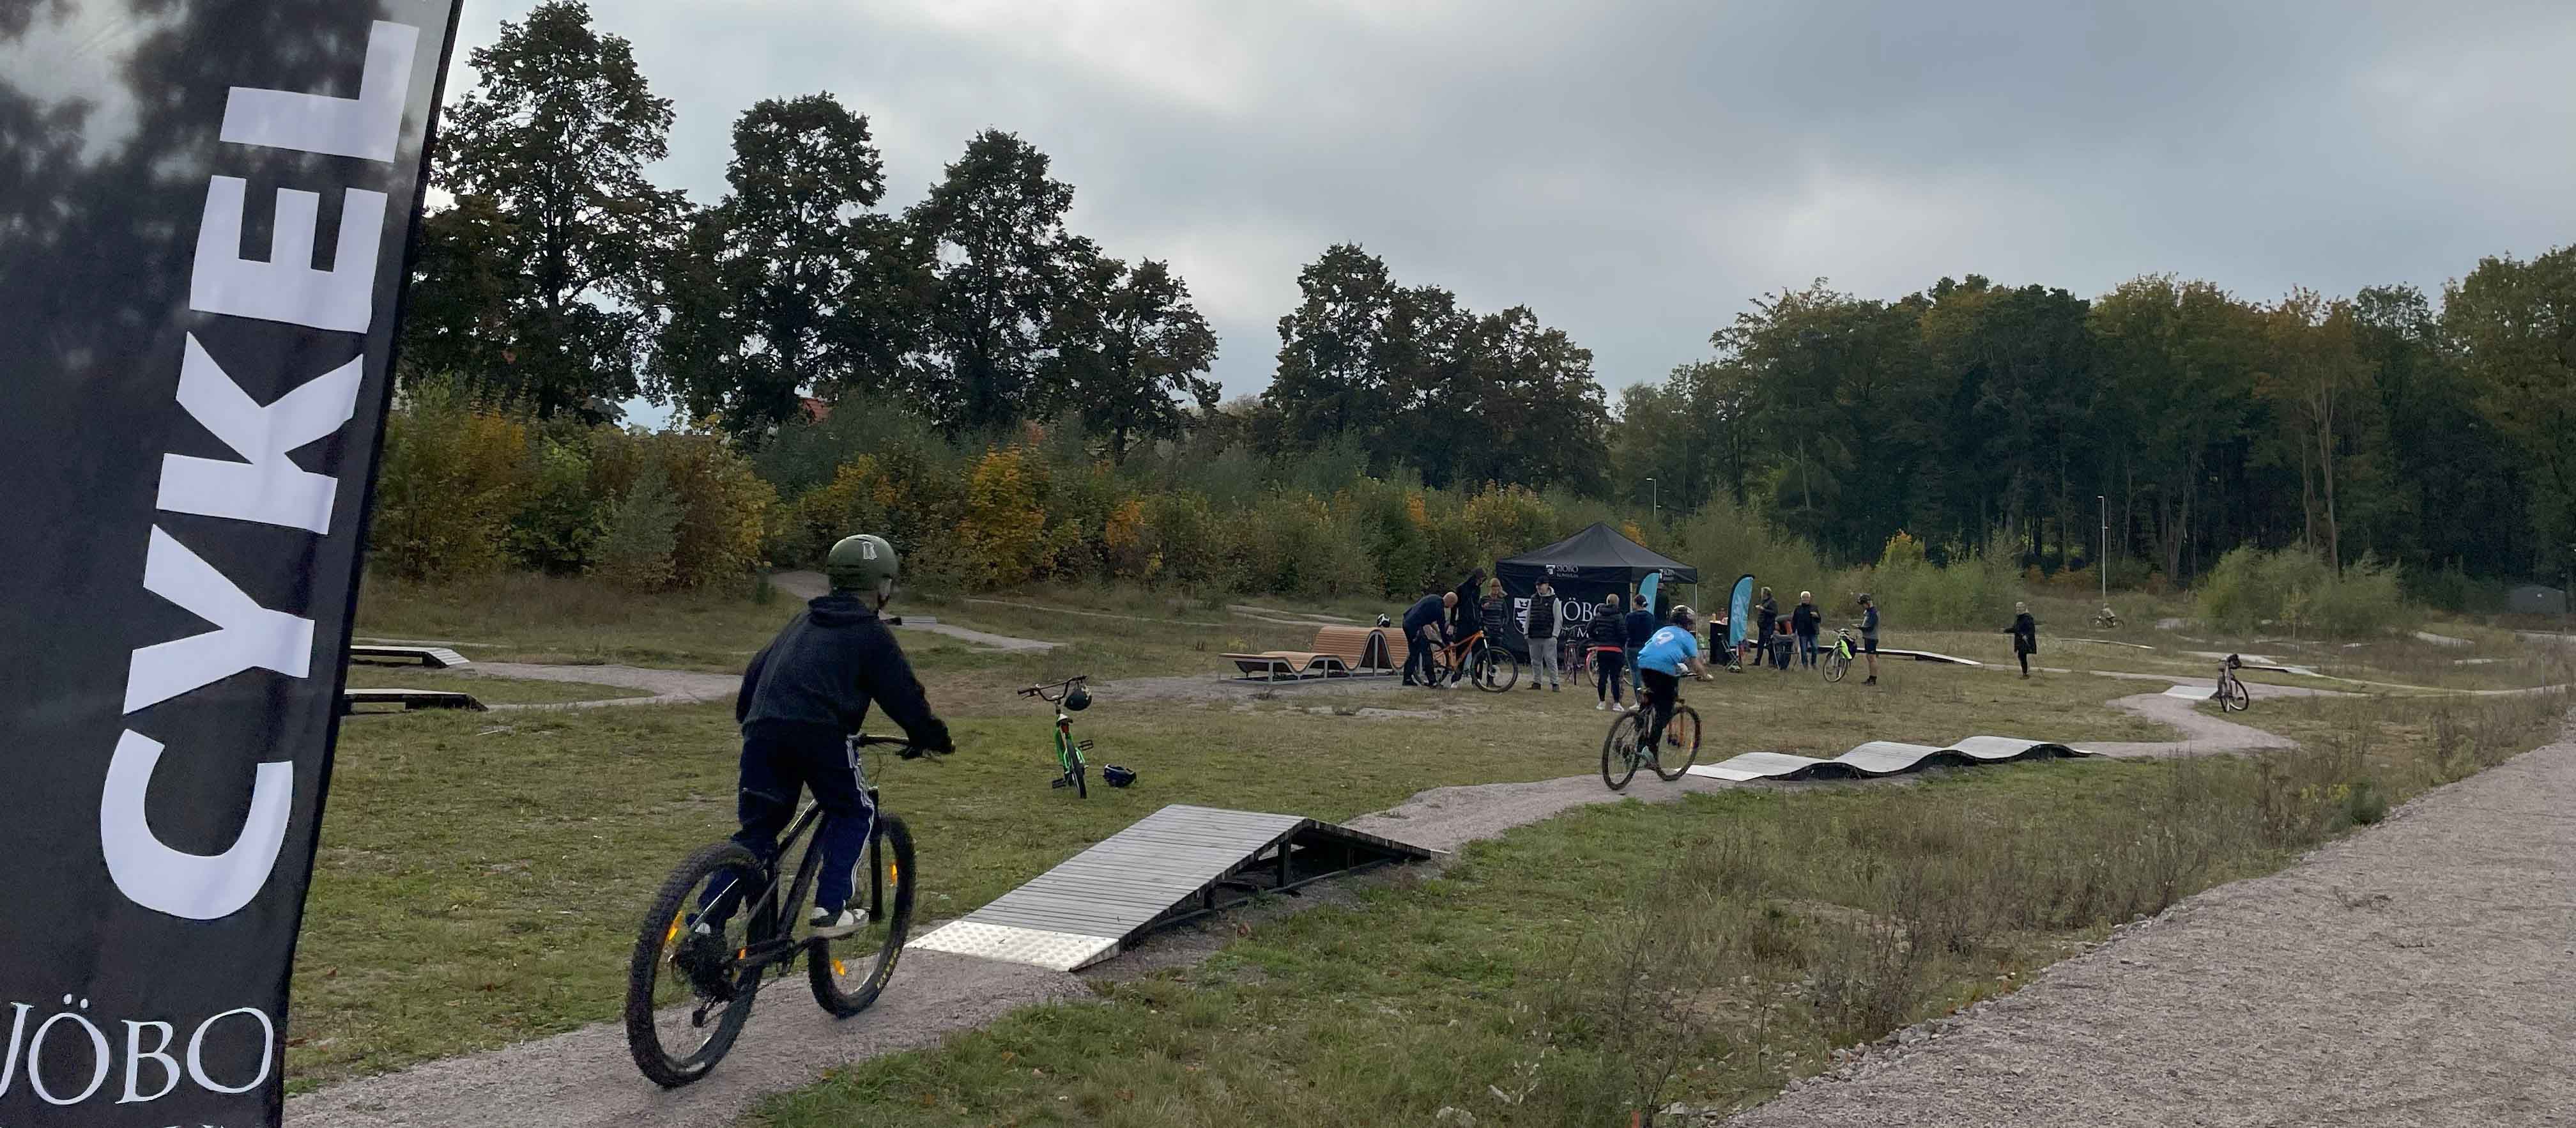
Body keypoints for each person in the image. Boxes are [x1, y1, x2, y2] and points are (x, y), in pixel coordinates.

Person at [713, 534, 953, 940]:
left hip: (763, 729)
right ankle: (830, 907)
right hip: (821, 734)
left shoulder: (801, 622)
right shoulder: (870, 633)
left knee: (757, 832)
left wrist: (753, 722)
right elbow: (904, 697)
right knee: (854, 811)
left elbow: (757, 671)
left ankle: (706, 925)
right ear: (882, 586)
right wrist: (931, 737)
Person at [1634, 605, 1714, 753]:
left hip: (1644, 662)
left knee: (1651, 696)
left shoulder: (1663, 630)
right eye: (1690, 623)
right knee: (1665, 709)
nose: (1691, 626)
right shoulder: (1688, 637)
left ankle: (1637, 731)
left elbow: (1654, 648)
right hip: (1663, 669)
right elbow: (1696, 664)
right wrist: (1706, 676)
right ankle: (1650, 749)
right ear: (1686, 624)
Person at [1402, 590, 1455, 688]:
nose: (1452, 607)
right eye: (1452, 605)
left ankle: (1407, 679)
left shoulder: (1434, 597)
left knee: (1414, 652)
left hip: (1407, 622)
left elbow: (1428, 618)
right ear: (1450, 602)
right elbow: (1443, 628)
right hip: (1414, 626)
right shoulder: (1440, 609)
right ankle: (1433, 682)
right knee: (1427, 652)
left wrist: (1437, 633)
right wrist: (1448, 643)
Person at [1593, 592, 1630, 711]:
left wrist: (1597, 639)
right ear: (1617, 603)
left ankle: (1602, 702)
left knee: (1602, 676)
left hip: (1602, 649)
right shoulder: (1619, 617)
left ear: (1607, 602)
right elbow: (1624, 634)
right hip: (1615, 650)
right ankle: (1616, 703)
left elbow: (1589, 628)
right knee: (1615, 677)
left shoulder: (1599, 615)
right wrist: (1620, 644)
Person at [1526, 580, 1563, 691]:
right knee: (1535, 661)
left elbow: (1558, 619)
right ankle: (1537, 682)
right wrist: (1526, 632)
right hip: (1534, 635)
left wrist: (1555, 635)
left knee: (1551, 660)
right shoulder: (1533, 599)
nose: (1539, 588)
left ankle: (1555, 683)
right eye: (1537, 586)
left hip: (1548, 636)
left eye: (1541, 585)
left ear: (1547, 585)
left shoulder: (1554, 600)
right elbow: (1528, 616)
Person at [1623, 587, 1658, 702]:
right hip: (1646, 647)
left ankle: (1639, 700)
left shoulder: (1629, 616)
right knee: (1647, 674)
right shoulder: (1650, 617)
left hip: (1632, 647)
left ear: (1636, 604)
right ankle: (1649, 697)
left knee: (1635, 674)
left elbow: (1626, 631)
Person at [2004, 601, 2039, 679]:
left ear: (2024, 608)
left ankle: (2025, 674)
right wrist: (2006, 630)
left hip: (2026, 641)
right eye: (2017, 607)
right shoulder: (2018, 617)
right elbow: (2015, 629)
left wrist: (2027, 636)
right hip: (2019, 641)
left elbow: (2032, 630)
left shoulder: (2028, 617)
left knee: (2022, 656)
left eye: (2020, 607)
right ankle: (2025, 673)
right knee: (2021, 656)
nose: (2018, 609)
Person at [1791, 591, 1821, 668]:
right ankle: (1805, 665)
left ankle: (1813, 663)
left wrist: (1816, 616)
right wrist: (1793, 631)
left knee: (1815, 648)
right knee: (1804, 650)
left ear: (1810, 598)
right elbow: (1794, 620)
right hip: (1802, 633)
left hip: (1813, 632)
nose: (1805, 599)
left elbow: (1819, 620)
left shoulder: (1814, 607)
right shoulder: (1798, 608)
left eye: (1807, 598)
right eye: (1804, 598)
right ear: (1801, 599)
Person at [1857, 592, 1882, 686]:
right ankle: (1870, 678)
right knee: (1869, 657)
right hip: (1868, 637)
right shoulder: (1869, 612)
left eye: (1863, 604)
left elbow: (1870, 627)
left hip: (1872, 638)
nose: (1863, 607)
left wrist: (1859, 627)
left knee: (1872, 658)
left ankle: (1873, 679)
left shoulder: (1874, 613)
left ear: (1868, 603)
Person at [1754, 586, 1780, 669]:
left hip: (1769, 626)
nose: (1761, 594)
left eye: (1762, 592)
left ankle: (1772, 662)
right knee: (1760, 644)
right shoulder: (1763, 601)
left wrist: (1763, 609)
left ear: (1766, 593)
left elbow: (1774, 613)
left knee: (1769, 644)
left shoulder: (1772, 602)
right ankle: (1757, 661)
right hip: (1762, 626)